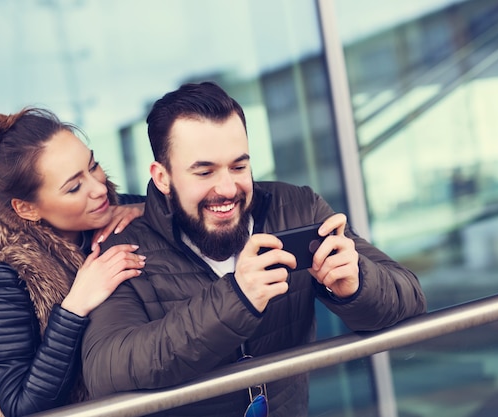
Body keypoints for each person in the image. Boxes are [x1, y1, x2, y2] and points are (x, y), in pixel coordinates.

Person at [81, 82, 427, 417]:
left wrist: (357, 285)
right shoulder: (123, 247)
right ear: (162, 177)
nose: (228, 188)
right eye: (204, 172)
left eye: (239, 166)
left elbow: (409, 298)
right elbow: (106, 373)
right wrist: (237, 297)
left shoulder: (297, 208)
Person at [0, 107, 146, 417]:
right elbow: (19, 406)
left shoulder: (116, 211)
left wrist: (148, 210)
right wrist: (74, 308)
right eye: (74, 187)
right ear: (27, 209)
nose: (98, 188)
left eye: (93, 165)